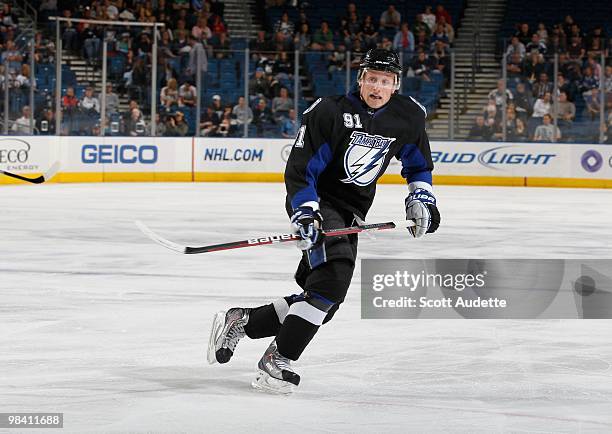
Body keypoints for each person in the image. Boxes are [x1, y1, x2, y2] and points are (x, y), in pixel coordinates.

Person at [207, 49, 440, 394]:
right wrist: (304, 211)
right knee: (331, 284)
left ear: (395, 85)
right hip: (320, 204)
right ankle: (277, 361)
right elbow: (301, 171)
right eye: (372, 78)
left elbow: (418, 164)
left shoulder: (408, 116)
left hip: (352, 214)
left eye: (385, 81)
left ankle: (244, 320)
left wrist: (421, 197)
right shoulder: (330, 112)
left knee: (323, 301)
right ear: (360, 78)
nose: (377, 87)